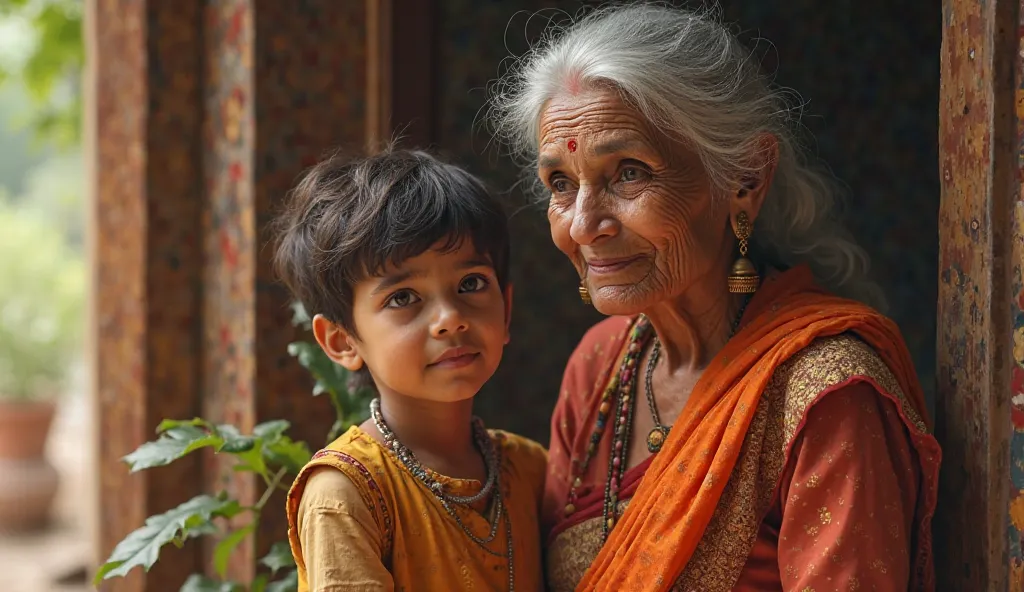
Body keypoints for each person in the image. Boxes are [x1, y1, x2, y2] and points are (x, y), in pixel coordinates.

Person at [488, 4, 940, 591]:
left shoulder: (827, 396)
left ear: (746, 178)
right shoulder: (602, 367)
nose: (581, 225)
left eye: (628, 174)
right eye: (561, 184)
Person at [274, 148, 546, 591]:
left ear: (507, 309)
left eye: (470, 283)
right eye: (403, 298)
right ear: (342, 341)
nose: (449, 318)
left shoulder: (530, 469)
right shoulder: (346, 494)